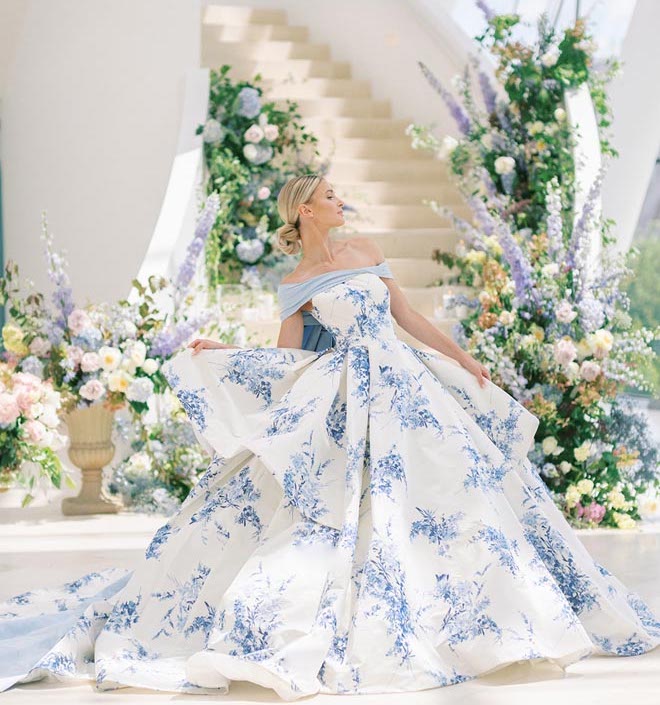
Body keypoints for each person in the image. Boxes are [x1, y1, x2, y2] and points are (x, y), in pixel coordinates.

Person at [1, 174, 659, 700]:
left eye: (341, 192)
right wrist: (223, 349)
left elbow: (409, 319)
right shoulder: (295, 284)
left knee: (461, 500)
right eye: (330, 195)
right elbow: (287, 361)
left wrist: (464, 360)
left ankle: (496, 621)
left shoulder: (367, 252)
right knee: (345, 511)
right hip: (345, 395)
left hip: (410, 388)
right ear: (306, 212)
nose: (342, 201)